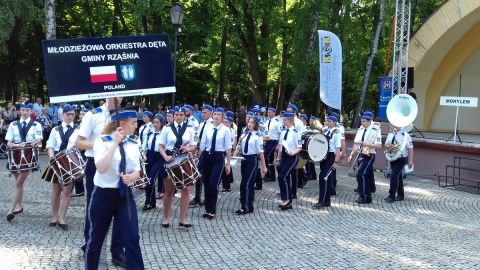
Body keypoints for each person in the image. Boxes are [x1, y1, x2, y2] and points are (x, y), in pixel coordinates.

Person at [84, 109, 144, 270]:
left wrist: (131, 177)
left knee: (132, 237)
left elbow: (137, 171)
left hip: (125, 196)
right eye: (133, 123)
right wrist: (115, 144)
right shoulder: (102, 141)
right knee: (95, 238)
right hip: (103, 195)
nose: (136, 125)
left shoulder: (134, 143)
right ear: (121, 124)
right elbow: (101, 168)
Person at [75, 97, 126, 267]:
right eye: (117, 95)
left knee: (121, 207)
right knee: (93, 207)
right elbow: (79, 142)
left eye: (122, 95)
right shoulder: (92, 115)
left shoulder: (123, 115)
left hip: (119, 164)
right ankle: (90, 244)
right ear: (107, 95)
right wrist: (101, 145)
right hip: (96, 164)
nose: (120, 98)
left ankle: (117, 251)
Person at [41, 105, 78, 229]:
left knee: (67, 191)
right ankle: (54, 217)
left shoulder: (78, 130)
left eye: (72, 114)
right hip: (56, 160)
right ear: (63, 115)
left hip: (70, 161)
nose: (70, 116)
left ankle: (62, 218)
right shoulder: (55, 130)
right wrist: (52, 159)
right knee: (56, 190)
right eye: (68, 114)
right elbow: (50, 146)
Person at [158, 106, 196, 227]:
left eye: (181, 115)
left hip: (184, 160)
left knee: (186, 190)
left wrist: (187, 148)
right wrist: (165, 157)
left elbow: (194, 147)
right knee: (169, 191)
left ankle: (183, 219)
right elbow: (161, 147)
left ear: (184, 115)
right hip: (170, 161)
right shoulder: (166, 128)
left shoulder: (190, 128)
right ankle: (166, 218)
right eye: (177, 115)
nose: (179, 117)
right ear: (173, 115)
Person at [5, 103, 43, 222]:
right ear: (19, 111)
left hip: (28, 157)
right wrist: (10, 144)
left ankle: (10, 211)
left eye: (27, 110)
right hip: (15, 157)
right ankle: (20, 206)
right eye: (23, 110)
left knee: (18, 184)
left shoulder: (36, 125)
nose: (25, 112)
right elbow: (9, 141)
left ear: (31, 111)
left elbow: (39, 140)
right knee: (18, 183)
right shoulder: (13, 125)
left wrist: (35, 142)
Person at [198, 107, 232, 219]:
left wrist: (228, 164)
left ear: (222, 117)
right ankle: (207, 209)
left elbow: (228, 148)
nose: (216, 116)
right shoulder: (208, 128)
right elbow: (203, 145)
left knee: (213, 184)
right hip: (208, 156)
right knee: (206, 183)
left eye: (219, 115)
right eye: (215, 114)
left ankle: (212, 209)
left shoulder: (226, 130)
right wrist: (198, 159)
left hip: (218, 157)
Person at [347, 111, 382, 204]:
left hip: (369, 155)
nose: (362, 123)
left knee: (361, 174)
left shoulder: (375, 129)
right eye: (361, 121)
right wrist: (351, 155)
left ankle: (366, 197)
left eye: (364, 121)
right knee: (364, 175)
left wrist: (367, 144)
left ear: (369, 121)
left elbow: (379, 145)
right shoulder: (361, 129)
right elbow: (356, 144)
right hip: (361, 154)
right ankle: (364, 194)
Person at [236, 116, 267, 214]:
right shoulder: (244, 135)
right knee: (248, 183)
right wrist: (233, 157)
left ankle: (244, 207)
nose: (249, 124)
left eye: (252, 122)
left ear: (256, 124)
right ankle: (249, 206)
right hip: (244, 159)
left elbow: (260, 152)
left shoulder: (257, 136)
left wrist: (264, 166)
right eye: (249, 122)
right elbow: (238, 147)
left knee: (245, 183)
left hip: (252, 160)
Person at [276, 112, 302, 210]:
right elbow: (281, 146)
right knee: (284, 178)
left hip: (292, 157)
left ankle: (287, 199)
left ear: (290, 120)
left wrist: (293, 153)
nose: (283, 121)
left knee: (282, 177)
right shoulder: (283, 131)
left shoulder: (295, 133)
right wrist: (278, 158)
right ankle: (286, 200)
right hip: (284, 157)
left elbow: (299, 147)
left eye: (285, 120)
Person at [314, 114, 341, 208]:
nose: (328, 122)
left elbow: (338, 149)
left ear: (335, 122)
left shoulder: (337, 133)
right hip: (324, 156)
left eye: (330, 121)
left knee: (323, 177)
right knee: (327, 179)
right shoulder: (326, 131)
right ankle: (327, 201)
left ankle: (322, 200)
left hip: (331, 156)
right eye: (328, 121)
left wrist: (336, 162)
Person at [189, 104, 214, 207]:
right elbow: (198, 138)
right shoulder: (202, 123)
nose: (202, 114)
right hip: (199, 150)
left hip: (207, 152)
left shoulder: (212, 124)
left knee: (206, 176)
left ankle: (208, 198)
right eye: (202, 112)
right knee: (197, 174)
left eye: (205, 112)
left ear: (210, 113)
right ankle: (197, 197)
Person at [384, 124, 414, 203]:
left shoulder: (405, 135)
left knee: (393, 176)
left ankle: (391, 196)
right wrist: (388, 146)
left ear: (396, 126)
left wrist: (410, 161)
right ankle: (401, 195)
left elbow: (410, 148)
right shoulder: (390, 134)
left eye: (391, 124)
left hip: (401, 158)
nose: (389, 126)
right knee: (398, 177)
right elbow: (386, 144)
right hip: (392, 157)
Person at [141, 113, 165, 210]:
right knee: (147, 180)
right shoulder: (150, 134)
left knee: (151, 179)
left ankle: (148, 203)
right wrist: (143, 155)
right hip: (150, 156)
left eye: (157, 123)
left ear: (161, 123)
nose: (155, 125)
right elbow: (146, 146)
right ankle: (151, 202)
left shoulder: (163, 134)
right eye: (154, 122)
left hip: (159, 158)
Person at [71, 109, 89, 197]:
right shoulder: (77, 125)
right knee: (74, 169)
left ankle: (79, 190)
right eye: (81, 114)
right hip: (75, 149)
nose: (82, 115)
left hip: (84, 150)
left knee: (78, 169)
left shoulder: (88, 125)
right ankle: (79, 190)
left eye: (84, 114)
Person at [221, 116, 236, 192]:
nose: (224, 124)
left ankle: (226, 186)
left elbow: (231, 142)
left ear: (230, 123)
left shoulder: (230, 131)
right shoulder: (227, 130)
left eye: (226, 122)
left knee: (225, 168)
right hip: (225, 150)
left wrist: (233, 150)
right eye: (223, 122)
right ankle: (228, 182)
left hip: (226, 150)